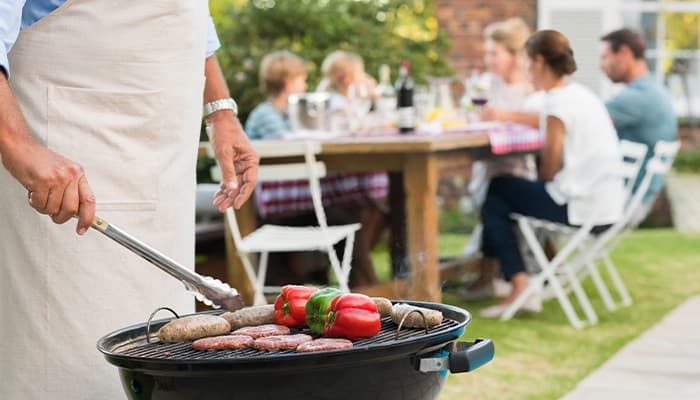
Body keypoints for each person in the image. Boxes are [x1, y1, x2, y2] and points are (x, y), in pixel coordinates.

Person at [0, 2, 258, 398]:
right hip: (69, 136)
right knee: (71, 364)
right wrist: (19, 145)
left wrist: (220, 110)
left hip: (162, 155)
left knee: (159, 345)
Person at [478, 30, 625, 318]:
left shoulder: (557, 105)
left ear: (540, 62)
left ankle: (519, 284)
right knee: (506, 192)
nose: (525, 69)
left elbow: (549, 166)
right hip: (606, 206)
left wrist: (535, 187)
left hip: (581, 208)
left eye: (527, 62)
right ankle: (506, 280)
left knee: (497, 190)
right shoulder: (581, 94)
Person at [244, 50, 380, 288]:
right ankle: (363, 289)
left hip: (294, 204)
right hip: (277, 209)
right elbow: (291, 149)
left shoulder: (290, 113)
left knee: (351, 210)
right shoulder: (267, 115)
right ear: (288, 83)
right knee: (347, 213)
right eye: (302, 79)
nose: (306, 85)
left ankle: (359, 286)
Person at [458, 17, 540, 301]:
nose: (488, 59)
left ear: (515, 55)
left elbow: (543, 121)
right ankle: (490, 278)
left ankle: (498, 278)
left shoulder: (532, 88)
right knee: (491, 200)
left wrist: (503, 115)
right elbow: (467, 112)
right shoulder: (485, 84)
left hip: (518, 167)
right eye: (487, 53)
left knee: (495, 203)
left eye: (495, 53)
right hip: (488, 164)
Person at [600, 28, 678, 204]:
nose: (601, 66)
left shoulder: (640, 96)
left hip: (618, 198)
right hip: (636, 196)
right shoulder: (655, 90)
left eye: (605, 57)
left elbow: (581, 122)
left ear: (624, 52)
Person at [245, 50, 308, 139]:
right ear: (289, 84)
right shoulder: (264, 114)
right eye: (302, 81)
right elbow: (287, 143)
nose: (305, 86)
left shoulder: (287, 113)